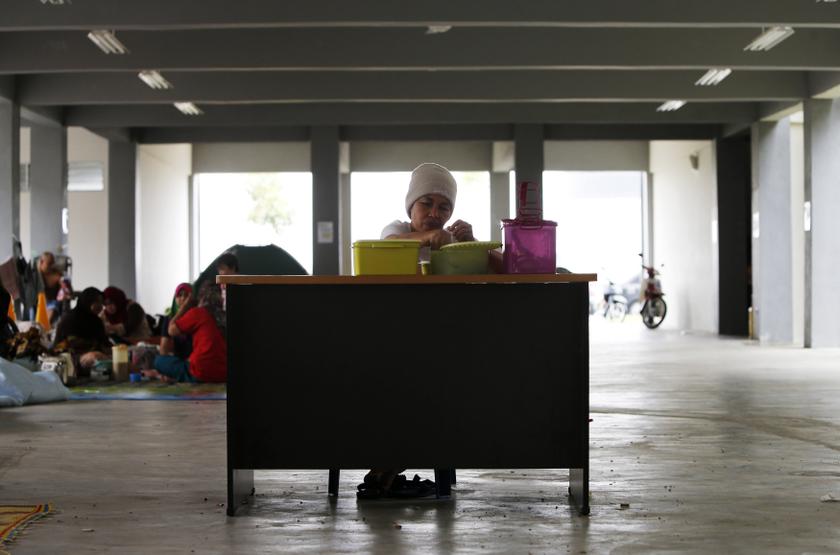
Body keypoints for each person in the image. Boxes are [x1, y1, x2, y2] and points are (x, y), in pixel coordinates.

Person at [381, 163, 476, 262]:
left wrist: (471, 245)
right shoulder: (397, 229)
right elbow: (388, 243)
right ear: (411, 206)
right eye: (426, 204)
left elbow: (481, 265)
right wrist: (431, 236)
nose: (434, 214)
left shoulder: (454, 240)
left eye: (443, 208)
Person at [144, 283, 227, 383]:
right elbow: (164, 350)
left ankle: (177, 377)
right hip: (221, 372)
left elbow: (171, 331)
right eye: (180, 295)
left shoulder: (198, 313)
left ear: (196, 298)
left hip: (199, 370)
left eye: (187, 295)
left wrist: (184, 307)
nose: (183, 298)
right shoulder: (223, 316)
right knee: (165, 360)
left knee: (159, 361)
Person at [53, 287, 110, 369]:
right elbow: (59, 348)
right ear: (87, 302)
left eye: (101, 303)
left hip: (96, 362)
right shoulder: (68, 320)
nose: (100, 306)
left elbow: (104, 344)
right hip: (70, 363)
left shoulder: (97, 322)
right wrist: (81, 357)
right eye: (97, 302)